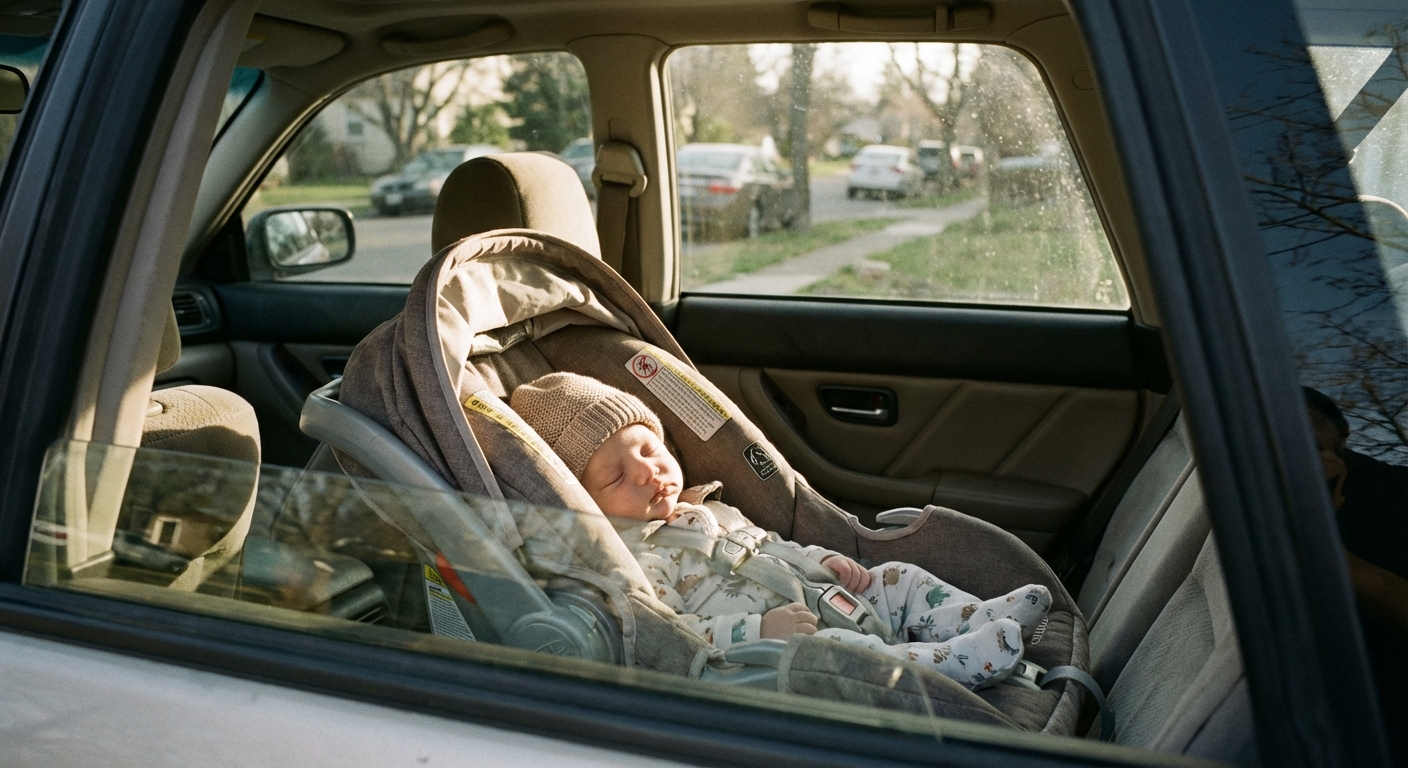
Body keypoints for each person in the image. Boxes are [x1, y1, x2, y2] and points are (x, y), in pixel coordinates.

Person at [511, 372, 1052, 690]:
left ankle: (977, 617)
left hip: (824, 592)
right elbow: (674, 636)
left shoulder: (709, 507)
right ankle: (959, 663)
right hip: (782, 647)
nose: (649, 472)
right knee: (846, 651)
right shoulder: (635, 564)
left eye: (651, 451)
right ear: (586, 504)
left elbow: (773, 547)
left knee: (895, 578)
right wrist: (759, 630)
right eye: (616, 477)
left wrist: (822, 562)